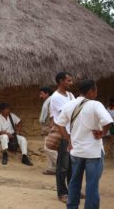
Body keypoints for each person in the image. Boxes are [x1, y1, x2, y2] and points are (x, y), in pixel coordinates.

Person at [55, 80, 113, 209]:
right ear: (91, 91)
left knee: (74, 181)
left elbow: (60, 124)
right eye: (96, 90)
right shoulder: (95, 104)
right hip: (93, 152)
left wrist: (68, 138)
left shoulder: (69, 105)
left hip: (76, 151)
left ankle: (72, 206)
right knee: (92, 184)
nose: (96, 93)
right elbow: (108, 121)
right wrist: (102, 133)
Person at [49, 72, 75, 203]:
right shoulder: (56, 97)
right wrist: (66, 137)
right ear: (61, 81)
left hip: (72, 134)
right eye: (68, 81)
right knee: (62, 166)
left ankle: (72, 190)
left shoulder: (70, 95)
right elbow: (61, 119)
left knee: (71, 165)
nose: (71, 83)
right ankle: (62, 193)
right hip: (65, 135)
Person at [39, 87, 57, 175]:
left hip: (49, 127)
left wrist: (51, 126)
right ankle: (52, 168)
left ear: (47, 93)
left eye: (41, 94)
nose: (40, 96)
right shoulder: (48, 101)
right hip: (46, 127)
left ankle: (62, 165)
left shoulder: (51, 101)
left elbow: (52, 114)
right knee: (49, 148)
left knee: (48, 148)